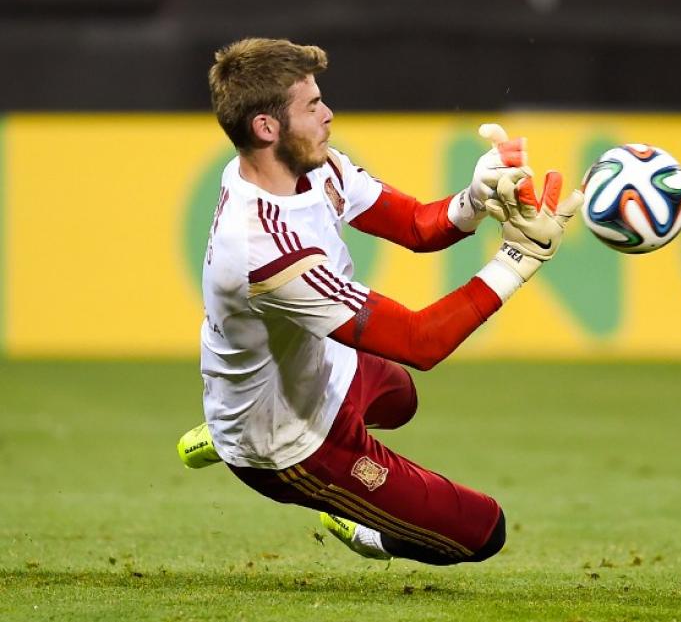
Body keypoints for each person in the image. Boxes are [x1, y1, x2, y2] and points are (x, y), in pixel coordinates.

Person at [176, 37, 582, 566]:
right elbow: (421, 341)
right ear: (266, 128)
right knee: (483, 531)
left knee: (401, 398)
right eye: (312, 105)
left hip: (314, 368)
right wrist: (519, 259)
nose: (329, 114)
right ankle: (352, 522)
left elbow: (416, 226)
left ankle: (228, 417)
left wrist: (477, 197)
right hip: (289, 442)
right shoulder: (262, 247)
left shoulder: (307, 166)